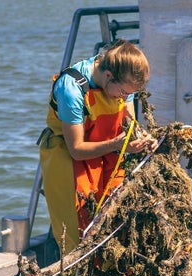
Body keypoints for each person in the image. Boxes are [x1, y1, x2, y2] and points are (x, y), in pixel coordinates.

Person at [38, 39, 156, 254]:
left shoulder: (120, 80)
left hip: (107, 155)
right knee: (79, 235)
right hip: (69, 159)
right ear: (109, 76)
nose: (124, 97)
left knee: (116, 222)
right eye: (123, 92)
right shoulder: (72, 89)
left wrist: (142, 136)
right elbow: (76, 148)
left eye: (130, 94)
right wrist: (119, 145)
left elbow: (128, 120)